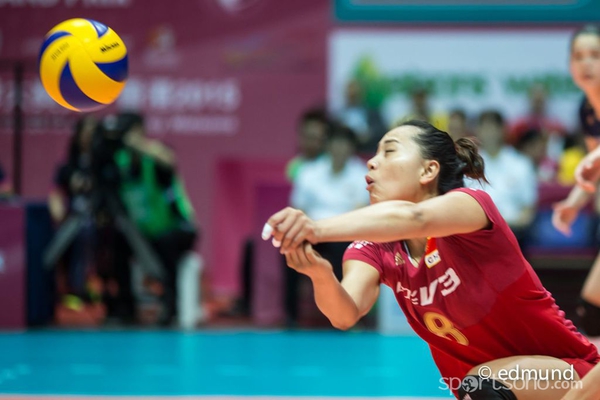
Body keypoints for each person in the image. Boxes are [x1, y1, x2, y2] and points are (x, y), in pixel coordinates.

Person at [263, 120, 599, 399]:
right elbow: (344, 314)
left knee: (483, 384)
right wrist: (320, 274)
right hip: (487, 389)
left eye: (389, 151)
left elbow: (416, 218)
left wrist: (315, 228)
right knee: (481, 385)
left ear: (428, 170)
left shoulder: (471, 206)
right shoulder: (374, 248)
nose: (372, 162)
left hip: (572, 376)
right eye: (375, 153)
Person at [553, 24, 600, 338]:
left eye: (595, 55)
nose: (586, 63)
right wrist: (572, 204)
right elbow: (595, 167)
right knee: (593, 310)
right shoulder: (587, 109)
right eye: (578, 56)